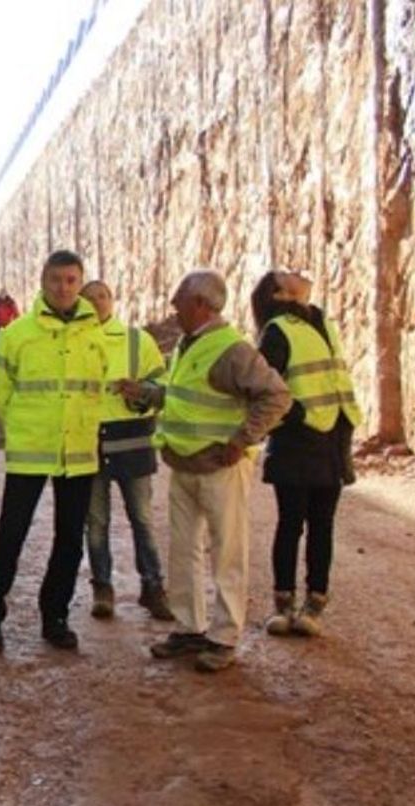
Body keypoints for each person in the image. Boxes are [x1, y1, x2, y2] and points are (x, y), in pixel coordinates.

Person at [119, 270, 290, 672]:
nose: (174, 307)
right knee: (185, 550)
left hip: (219, 467)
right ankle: (190, 628)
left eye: (179, 299)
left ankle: (224, 636)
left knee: (227, 553)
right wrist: (146, 393)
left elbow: (276, 396)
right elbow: (183, 399)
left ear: (200, 303)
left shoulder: (230, 349)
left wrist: (241, 439)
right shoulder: (189, 345)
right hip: (184, 462)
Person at [0, 250, 108, 654]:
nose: (63, 288)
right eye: (56, 280)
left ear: (79, 282)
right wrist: (17, 423)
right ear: (42, 281)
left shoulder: (95, 335)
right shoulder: (18, 334)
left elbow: (100, 386)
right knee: (11, 534)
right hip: (31, 448)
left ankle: (56, 615)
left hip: (79, 451)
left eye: (71, 280)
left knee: (69, 538)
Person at [251, 270, 358, 637]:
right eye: (285, 276)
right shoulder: (278, 331)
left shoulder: (322, 322)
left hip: (332, 440)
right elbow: (267, 386)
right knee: (291, 523)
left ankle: (315, 601)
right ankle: (284, 604)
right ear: (281, 295)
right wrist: (301, 415)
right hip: (298, 443)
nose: (295, 272)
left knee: (323, 525)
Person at [82, 279, 171, 621]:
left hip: (132, 442)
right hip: (89, 444)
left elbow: (162, 386)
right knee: (96, 522)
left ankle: (153, 587)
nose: (97, 303)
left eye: (103, 296)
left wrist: (142, 393)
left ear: (112, 300)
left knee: (142, 519)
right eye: (90, 298)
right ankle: (102, 588)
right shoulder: (75, 344)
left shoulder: (137, 341)